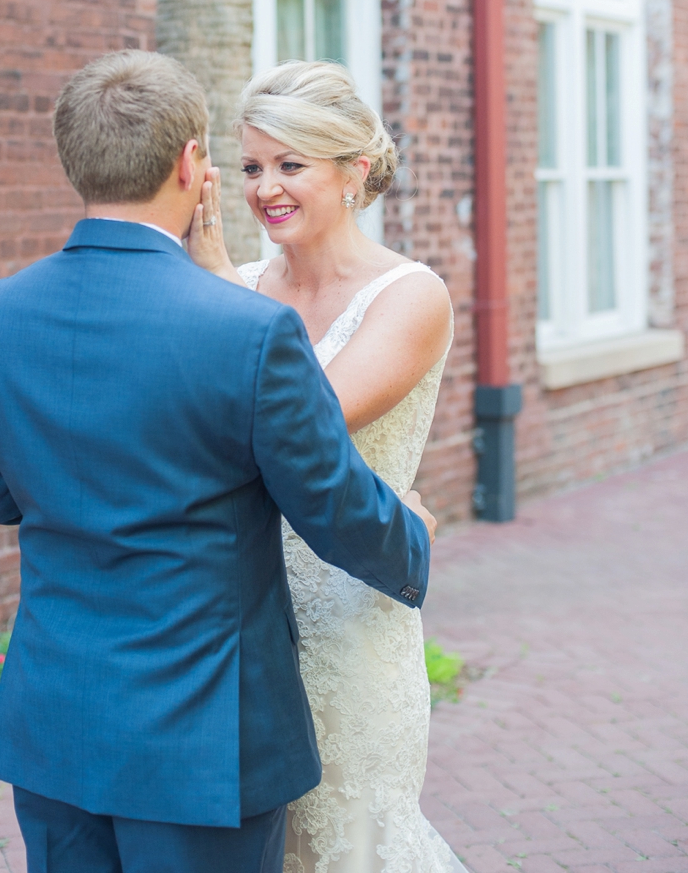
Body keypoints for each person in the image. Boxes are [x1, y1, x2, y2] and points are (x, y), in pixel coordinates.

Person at [0, 49, 437, 873]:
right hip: (203, 735)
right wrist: (416, 538)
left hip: (56, 719)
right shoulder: (246, 329)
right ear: (193, 163)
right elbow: (330, 504)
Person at [188, 59, 463, 873]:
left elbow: (306, 423)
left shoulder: (410, 296)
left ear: (354, 172)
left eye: (289, 165)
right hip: (238, 618)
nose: (265, 188)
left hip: (351, 614)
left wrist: (216, 294)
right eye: (250, 167)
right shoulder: (234, 284)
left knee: (358, 843)